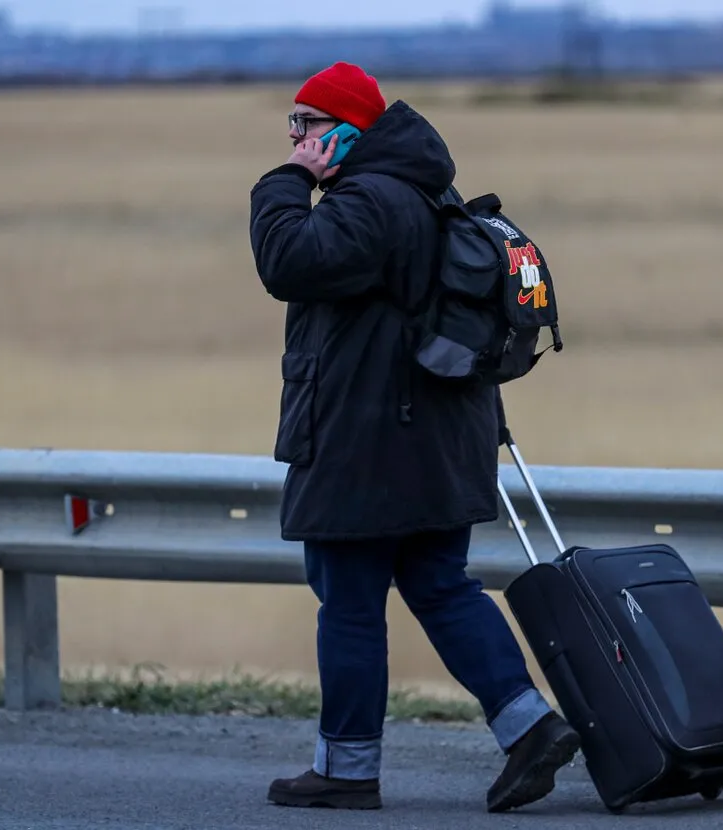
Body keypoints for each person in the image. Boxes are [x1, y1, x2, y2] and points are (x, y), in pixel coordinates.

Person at [247, 61, 581, 813]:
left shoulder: (371, 199)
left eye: (304, 125)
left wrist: (280, 182)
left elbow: (288, 262)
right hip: (437, 437)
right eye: (290, 127)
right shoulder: (428, 192)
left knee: (350, 603)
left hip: (368, 443)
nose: (294, 138)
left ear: (344, 131)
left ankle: (345, 770)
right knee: (438, 584)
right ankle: (529, 728)